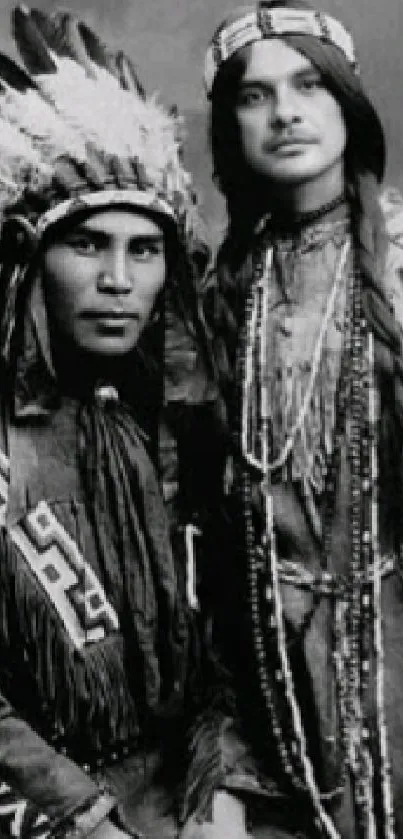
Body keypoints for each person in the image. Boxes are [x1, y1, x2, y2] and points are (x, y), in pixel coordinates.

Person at [180, 2, 403, 838]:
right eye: (253, 95)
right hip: (265, 680)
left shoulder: (396, 262)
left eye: (308, 83)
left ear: (346, 100)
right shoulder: (218, 298)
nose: (284, 112)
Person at [0, 6, 218, 839]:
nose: (120, 278)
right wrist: (82, 815)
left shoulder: (176, 434)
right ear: (29, 259)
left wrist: (215, 791)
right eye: (88, 245)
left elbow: (226, 649)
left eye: (145, 248)